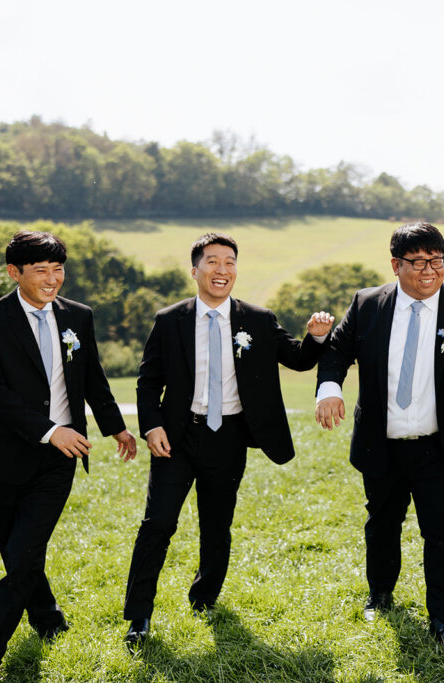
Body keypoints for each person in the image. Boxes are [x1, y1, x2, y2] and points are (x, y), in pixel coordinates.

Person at [123, 232, 333, 644]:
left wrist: (318, 336)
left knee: (217, 524)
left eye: (230, 262)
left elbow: (298, 358)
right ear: (195, 270)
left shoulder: (258, 319)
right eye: (213, 261)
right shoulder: (170, 320)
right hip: (177, 437)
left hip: (230, 436)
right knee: (158, 522)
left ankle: (204, 599)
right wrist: (152, 426)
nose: (222, 270)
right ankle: (139, 617)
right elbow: (148, 382)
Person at [315, 222, 444, 649]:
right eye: (417, 262)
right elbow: (337, 352)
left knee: (442, 529)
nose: (428, 271)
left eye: (436, 260)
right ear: (396, 264)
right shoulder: (368, 304)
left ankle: (443, 619)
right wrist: (329, 390)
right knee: (382, 522)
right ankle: (380, 594)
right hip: (381, 440)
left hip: (441, 444)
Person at [0, 231, 136, 682]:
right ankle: (48, 618)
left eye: (58, 269)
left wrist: (116, 426)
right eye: (41, 270)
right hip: (5, 458)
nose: (52, 279)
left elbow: (92, 377)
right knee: (18, 554)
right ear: (15, 272)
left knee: (22, 557)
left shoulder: (78, 316)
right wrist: (49, 430)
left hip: (60, 459)